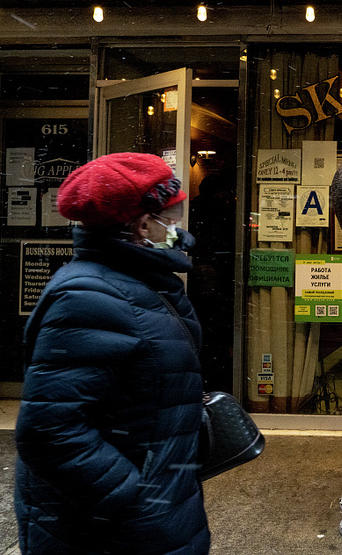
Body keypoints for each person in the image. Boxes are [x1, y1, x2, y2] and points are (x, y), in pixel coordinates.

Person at [14, 152, 210, 554]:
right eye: (169, 218)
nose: (176, 228)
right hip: (108, 530)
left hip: (152, 512)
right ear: (141, 225)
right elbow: (48, 430)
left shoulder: (138, 281)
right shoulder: (88, 296)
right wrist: (133, 499)